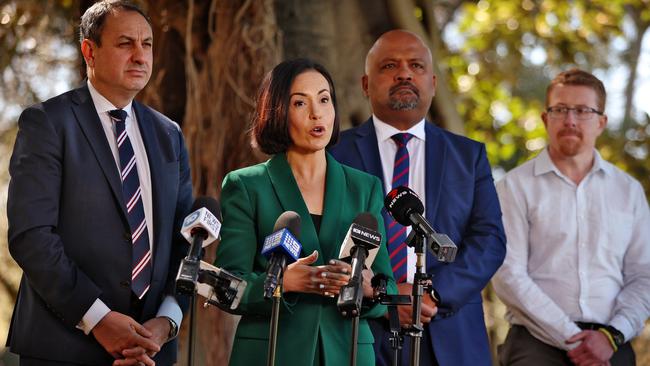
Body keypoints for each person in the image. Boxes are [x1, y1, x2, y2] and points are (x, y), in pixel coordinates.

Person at [6, 1, 193, 365]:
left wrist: (166, 321)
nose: (140, 56)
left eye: (148, 44)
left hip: (152, 352)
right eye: (126, 44)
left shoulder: (169, 135)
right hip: (64, 349)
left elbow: (185, 243)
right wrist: (98, 319)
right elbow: (32, 237)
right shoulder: (47, 123)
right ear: (89, 51)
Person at [329, 29, 506, 366]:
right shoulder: (334, 156)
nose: (404, 73)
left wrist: (432, 293)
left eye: (416, 66)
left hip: (448, 334)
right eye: (389, 66)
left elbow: (490, 240)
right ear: (366, 85)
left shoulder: (468, 157)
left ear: (433, 83)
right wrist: (383, 295)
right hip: (357, 331)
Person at [214, 58, 397, 366]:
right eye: (300, 103)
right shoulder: (246, 185)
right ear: (276, 112)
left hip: (349, 352)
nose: (317, 113)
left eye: (324, 99)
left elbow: (386, 286)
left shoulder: (365, 187)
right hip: (271, 352)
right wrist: (282, 283)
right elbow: (225, 288)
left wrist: (367, 287)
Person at [493, 69, 650, 366]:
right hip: (535, 344)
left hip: (612, 346)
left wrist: (612, 336)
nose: (570, 120)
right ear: (544, 119)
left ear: (601, 122)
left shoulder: (628, 191)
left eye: (583, 111)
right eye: (560, 110)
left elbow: (644, 275)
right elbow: (508, 274)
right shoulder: (513, 186)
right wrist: (572, 337)